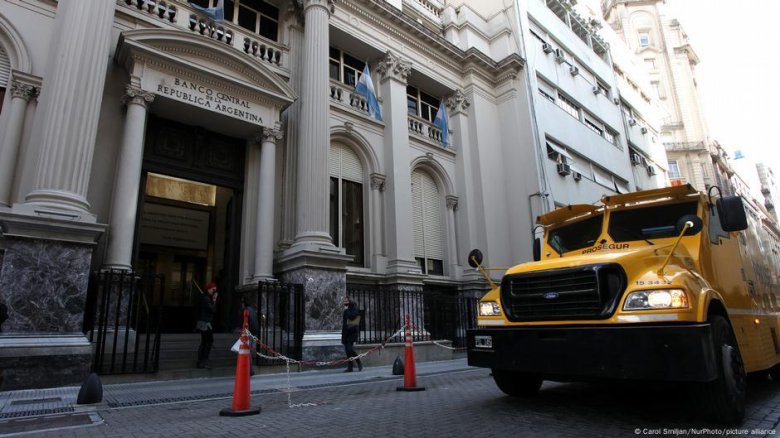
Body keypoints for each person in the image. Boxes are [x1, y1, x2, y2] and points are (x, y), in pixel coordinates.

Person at [196, 281, 218, 369]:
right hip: (205, 323)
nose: (214, 292)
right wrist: (214, 300)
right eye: (213, 290)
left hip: (205, 322)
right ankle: (203, 360)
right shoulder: (206, 298)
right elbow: (212, 309)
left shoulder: (205, 297)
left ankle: (202, 361)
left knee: (206, 341)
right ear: (208, 289)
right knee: (207, 341)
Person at [341, 296, 363, 372]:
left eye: (346, 301)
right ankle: (350, 367)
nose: (345, 302)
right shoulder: (346, 310)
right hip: (346, 332)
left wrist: (347, 311)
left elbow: (352, 317)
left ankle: (358, 361)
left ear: (350, 301)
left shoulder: (355, 308)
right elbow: (344, 321)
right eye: (344, 301)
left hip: (352, 332)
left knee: (350, 349)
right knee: (347, 351)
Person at [241, 295, 260, 376]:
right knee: (249, 351)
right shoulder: (253, 310)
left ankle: (250, 370)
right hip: (254, 332)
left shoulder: (246, 310)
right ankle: (248, 368)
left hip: (249, 333)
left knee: (247, 351)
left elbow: (245, 322)